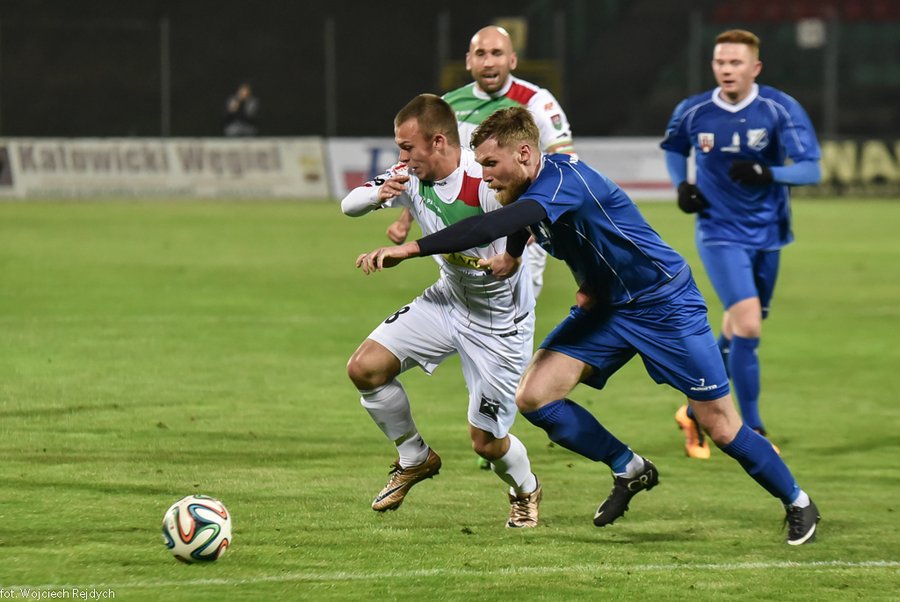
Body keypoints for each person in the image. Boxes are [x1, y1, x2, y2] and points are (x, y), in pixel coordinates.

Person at [356, 106, 821, 546]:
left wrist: (410, 250)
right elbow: (523, 222)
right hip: (607, 309)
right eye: (481, 164)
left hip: (665, 306)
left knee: (718, 424)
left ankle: (799, 502)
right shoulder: (529, 187)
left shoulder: (563, 181)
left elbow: (500, 222)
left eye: (492, 163)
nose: (486, 174)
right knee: (535, 397)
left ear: (524, 153)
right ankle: (629, 467)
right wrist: (513, 255)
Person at [341, 94, 542, 528]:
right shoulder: (409, 175)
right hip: (447, 300)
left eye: (407, 147)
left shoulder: (481, 176)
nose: (401, 157)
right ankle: (414, 457)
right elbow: (348, 204)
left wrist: (512, 255)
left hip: (499, 322)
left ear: (437, 142)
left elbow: (514, 219)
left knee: (486, 444)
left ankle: (525, 489)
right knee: (365, 368)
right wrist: (378, 194)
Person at [660, 29, 822, 460]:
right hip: (719, 232)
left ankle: (693, 411)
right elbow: (674, 149)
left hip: (769, 234)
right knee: (749, 325)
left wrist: (769, 173)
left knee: (738, 330)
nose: (727, 69)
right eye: (720, 62)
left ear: (755, 67)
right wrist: (682, 185)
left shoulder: (779, 108)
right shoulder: (693, 110)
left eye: (735, 62)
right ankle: (752, 428)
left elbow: (811, 169)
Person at [386, 25, 575, 300]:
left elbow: (565, 159)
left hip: (520, 226)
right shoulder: (449, 106)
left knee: (513, 309)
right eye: (481, 54)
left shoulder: (536, 101)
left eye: (497, 53)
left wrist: (541, 213)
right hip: (466, 226)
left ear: (512, 60)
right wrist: (405, 220)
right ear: (468, 61)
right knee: (465, 306)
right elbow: (429, 168)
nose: (488, 62)